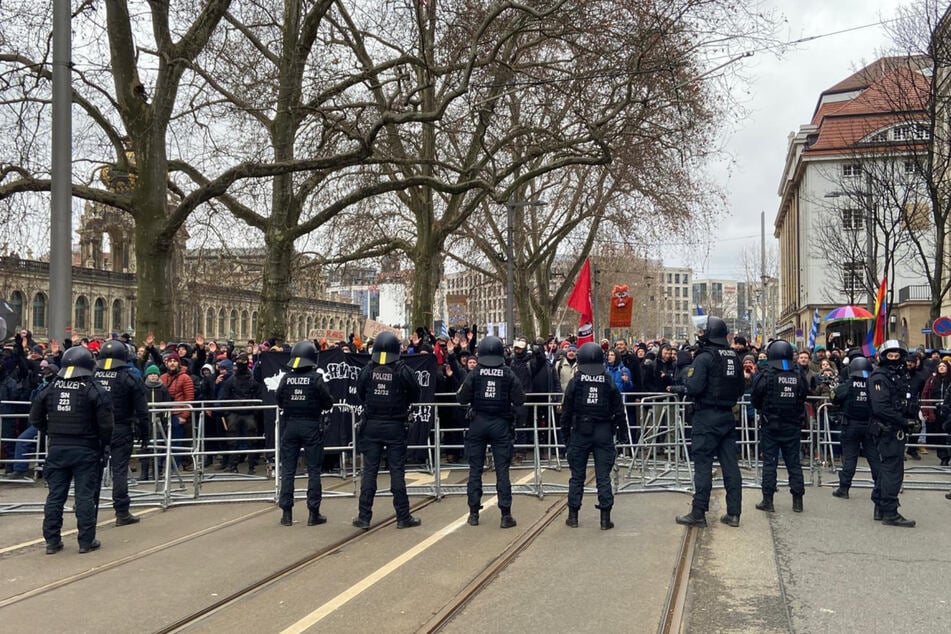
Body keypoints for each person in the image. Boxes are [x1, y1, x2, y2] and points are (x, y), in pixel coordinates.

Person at [30, 346, 114, 554]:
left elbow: (34, 417)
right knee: (85, 496)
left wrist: (51, 432)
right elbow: (106, 424)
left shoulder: (51, 387)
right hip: (86, 449)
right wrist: (104, 444)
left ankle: (52, 541)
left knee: (55, 496)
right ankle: (86, 541)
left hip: (57, 449)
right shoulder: (93, 388)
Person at [670, 315, 745, 528]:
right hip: (727, 417)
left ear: (710, 333)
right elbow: (740, 388)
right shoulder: (733, 356)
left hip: (706, 417)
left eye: (703, 331)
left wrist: (683, 385)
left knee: (703, 465)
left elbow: (694, 387)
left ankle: (698, 512)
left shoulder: (704, 357)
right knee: (731, 466)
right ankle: (734, 513)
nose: (700, 335)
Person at [352, 331, 422, 530]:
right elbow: (416, 393)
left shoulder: (368, 369)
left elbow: (360, 393)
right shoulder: (402, 370)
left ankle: (364, 517)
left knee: (370, 472)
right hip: (395, 425)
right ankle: (403, 516)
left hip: (372, 425)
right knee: (397, 471)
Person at [456, 335, 526, 528]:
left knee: (475, 470)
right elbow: (520, 399)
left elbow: (461, 398)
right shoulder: (507, 373)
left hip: (478, 423)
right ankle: (505, 515)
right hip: (501, 425)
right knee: (502, 470)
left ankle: (473, 514)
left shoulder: (476, 373)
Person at [560, 343, 625, 529]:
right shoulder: (607, 380)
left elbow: (566, 411)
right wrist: (622, 433)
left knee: (577, 476)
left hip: (580, 431)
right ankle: (605, 518)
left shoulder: (576, 381)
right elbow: (619, 409)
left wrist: (565, 437)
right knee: (603, 476)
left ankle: (573, 516)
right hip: (603, 431)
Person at [275, 340, 334, 527]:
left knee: (288, 471)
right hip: (310, 426)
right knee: (314, 470)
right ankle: (313, 513)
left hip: (290, 426)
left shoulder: (286, 378)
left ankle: (286, 514)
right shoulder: (316, 378)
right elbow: (328, 402)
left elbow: (279, 399)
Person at [94, 339, 149, 526]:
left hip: (96, 429)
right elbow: (142, 409)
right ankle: (122, 512)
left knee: (92, 471)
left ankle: (87, 509)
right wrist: (145, 433)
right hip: (121, 428)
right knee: (119, 471)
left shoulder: (93, 375)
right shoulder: (130, 377)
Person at [750, 340, 808, 513]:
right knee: (794, 464)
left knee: (769, 463)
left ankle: (768, 500)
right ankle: (797, 501)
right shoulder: (797, 374)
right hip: (792, 425)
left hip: (771, 425)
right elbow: (803, 396)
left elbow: (755, 399)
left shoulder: (766, 374)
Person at [868, 340, 917, 527]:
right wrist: (903, 421)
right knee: (892, 471)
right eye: (890, 356)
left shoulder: (900, 376)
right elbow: (881, 407)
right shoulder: (879, 377)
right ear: (883, 357)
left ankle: (880, 506)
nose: (894, 359)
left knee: (888, 469)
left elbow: (906, 401)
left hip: (895, 428)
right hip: (886, 429)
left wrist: (912, 418)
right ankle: (890, 511)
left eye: (897, 356)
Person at [830, 356, 874, 498]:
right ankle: (880, 487)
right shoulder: (874, 384)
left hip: (851, 426)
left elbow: (835, 398)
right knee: (874, 459)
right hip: (870, 426)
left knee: (850, 459)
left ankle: (844, 488)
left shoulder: (848, 384)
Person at [219, 353, 265, 474]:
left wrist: (254, 410)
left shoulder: (252, 380)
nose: (241, 363)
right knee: (233, 440)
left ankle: (250, 466)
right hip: (235, 413)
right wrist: (228, 411)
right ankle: (234, 465)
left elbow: (259, 397)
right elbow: (224, 397)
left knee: (251, 440)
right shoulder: (232, 380)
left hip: (247, 413)